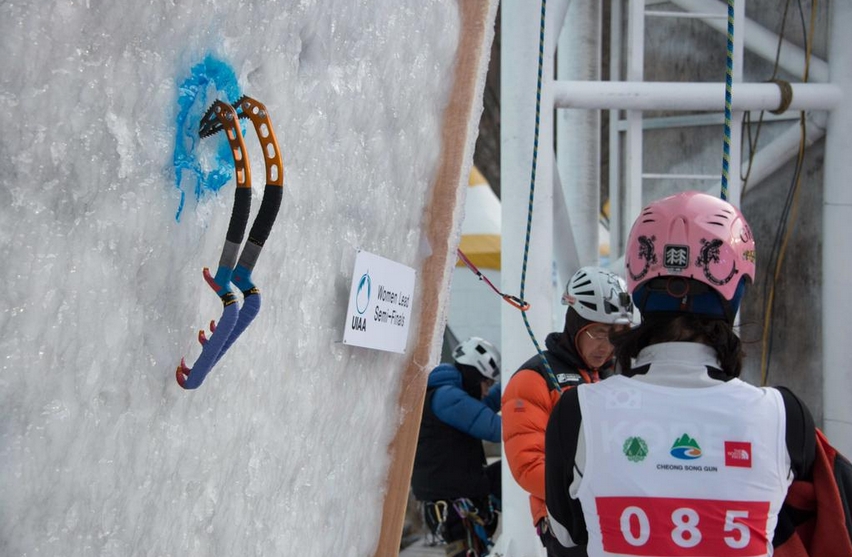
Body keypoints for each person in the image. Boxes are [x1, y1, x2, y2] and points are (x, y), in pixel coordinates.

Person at [544, 190, 822, 557]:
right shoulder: (786, 417)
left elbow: (566, 536)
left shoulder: (577, 412)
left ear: (638, 284)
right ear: (735, 291)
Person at [502, 266, 634, 556]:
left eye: (616, 336)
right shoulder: (535, 379)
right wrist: (589, 493)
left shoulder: (606, 376)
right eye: (597, 333)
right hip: (566, 524)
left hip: (611, 519)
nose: (606, 347)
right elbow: (527, 466)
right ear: (575, 325)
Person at [412, 336, 503, 557]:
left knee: (505, 474)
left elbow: (486, 404)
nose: (486, 390)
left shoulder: (450, 393)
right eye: (486, 383)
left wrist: (516, 380)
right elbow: (495, 428)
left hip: (457, 492)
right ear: (473, 377)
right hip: (454, 505)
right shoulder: (447, 398)